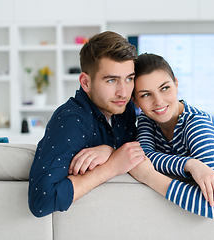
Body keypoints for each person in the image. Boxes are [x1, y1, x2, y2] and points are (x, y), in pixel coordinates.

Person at [28, 31, 145, 217]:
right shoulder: (71, 120)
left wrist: (110, 151)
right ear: (85, 82)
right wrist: (111, 166)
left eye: (129, 79)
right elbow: (42, 201)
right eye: (112, 80)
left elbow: (142, 152)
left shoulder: (125, 108)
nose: (123, 92)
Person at [129, 53, 214, 221]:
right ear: (135, 101)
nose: (159, 101)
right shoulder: (146, 120)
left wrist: (149, 176)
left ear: (176, 85)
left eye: (165, 88)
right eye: (146, 95)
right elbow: (143, 156)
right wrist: (189, 164)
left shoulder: (197, 125)